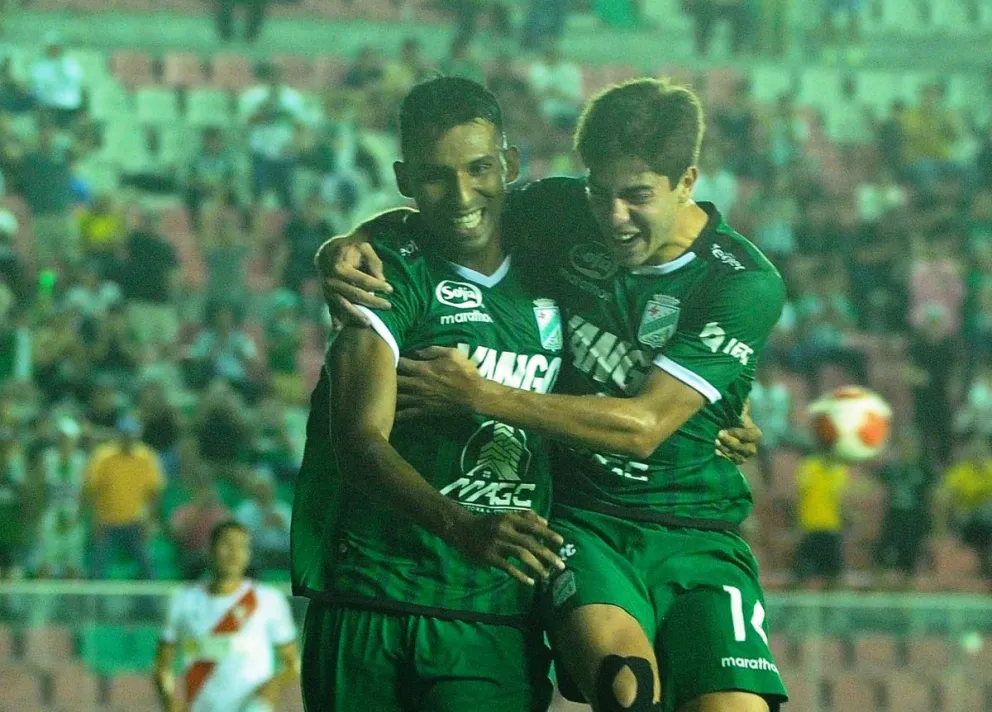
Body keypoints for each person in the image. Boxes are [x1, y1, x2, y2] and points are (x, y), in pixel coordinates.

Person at [318, 77, 786, 712]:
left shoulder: (744, 282)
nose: (614, 217)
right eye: (601, 192)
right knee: (628, 691)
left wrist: (482, 394)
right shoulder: (565, 210)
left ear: (687, 181)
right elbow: (454, 207)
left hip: (697, 525)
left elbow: (646, 424)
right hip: (587, 518)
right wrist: (350, 243)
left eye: (637, 197)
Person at [291, 76, 566, 712]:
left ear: (511, 164)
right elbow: (359, 441)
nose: (462, 195)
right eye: (438, 176)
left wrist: (725, 406)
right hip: (369, 596)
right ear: (404, 178)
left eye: (479, 169)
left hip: (492, 609)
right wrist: (462, 525)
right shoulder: (387, 270)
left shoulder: (559, 263)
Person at [154, 521, 300, 712]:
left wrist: (269, 692)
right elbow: (162, 666)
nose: (234, 553)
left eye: (242, 546)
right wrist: (171, 703)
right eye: (227, 544)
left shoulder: (268, 600)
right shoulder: (183, 600)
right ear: (210, 550)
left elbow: (292, 664)